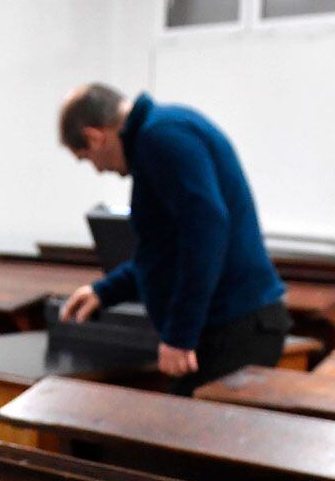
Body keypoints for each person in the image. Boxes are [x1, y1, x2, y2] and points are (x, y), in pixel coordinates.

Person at [55, 84, 288, 395]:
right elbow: (166, 252)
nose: (98, 170)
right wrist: (105, 291)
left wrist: (180, 335)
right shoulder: (162, 132)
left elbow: (206, 230)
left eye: (86, 157)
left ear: (95, 136)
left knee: (178, 436)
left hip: (233, 327)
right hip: (231, 325)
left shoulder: (161, 137)